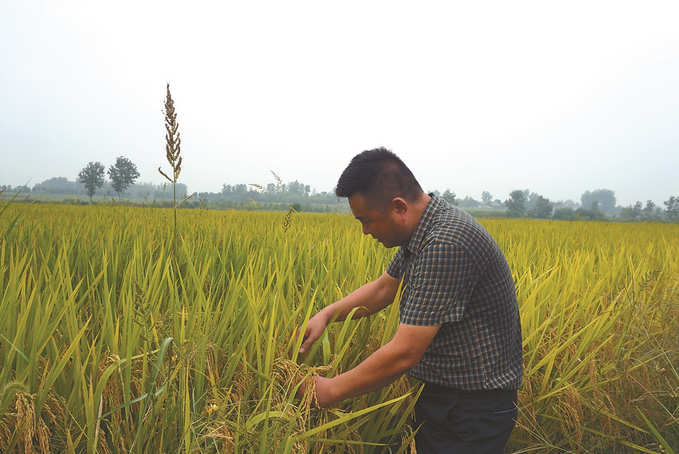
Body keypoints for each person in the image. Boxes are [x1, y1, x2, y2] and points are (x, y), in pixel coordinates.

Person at [297, 147, 522, 453]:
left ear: (399, 208)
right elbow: (383, 289)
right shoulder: (422, 230)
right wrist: (327, 314)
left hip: (472, 410)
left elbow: (405, 353)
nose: (364, 231)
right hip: (449, 398)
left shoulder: (446, 243)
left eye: (366, 220)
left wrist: (327, 391)